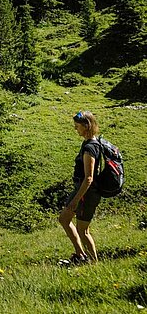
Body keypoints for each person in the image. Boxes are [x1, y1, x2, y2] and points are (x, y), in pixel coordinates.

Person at [58, 110, 102, 264]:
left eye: (77, 126)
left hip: (87, 192)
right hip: (81, 189)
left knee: (83, 230)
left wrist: (76, 200)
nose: (75, 129)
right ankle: (81, 255)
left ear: (86, 126)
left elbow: (89, 178)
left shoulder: (90, 147)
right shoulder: (88, 143)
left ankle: (94, 263)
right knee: (64, 219)